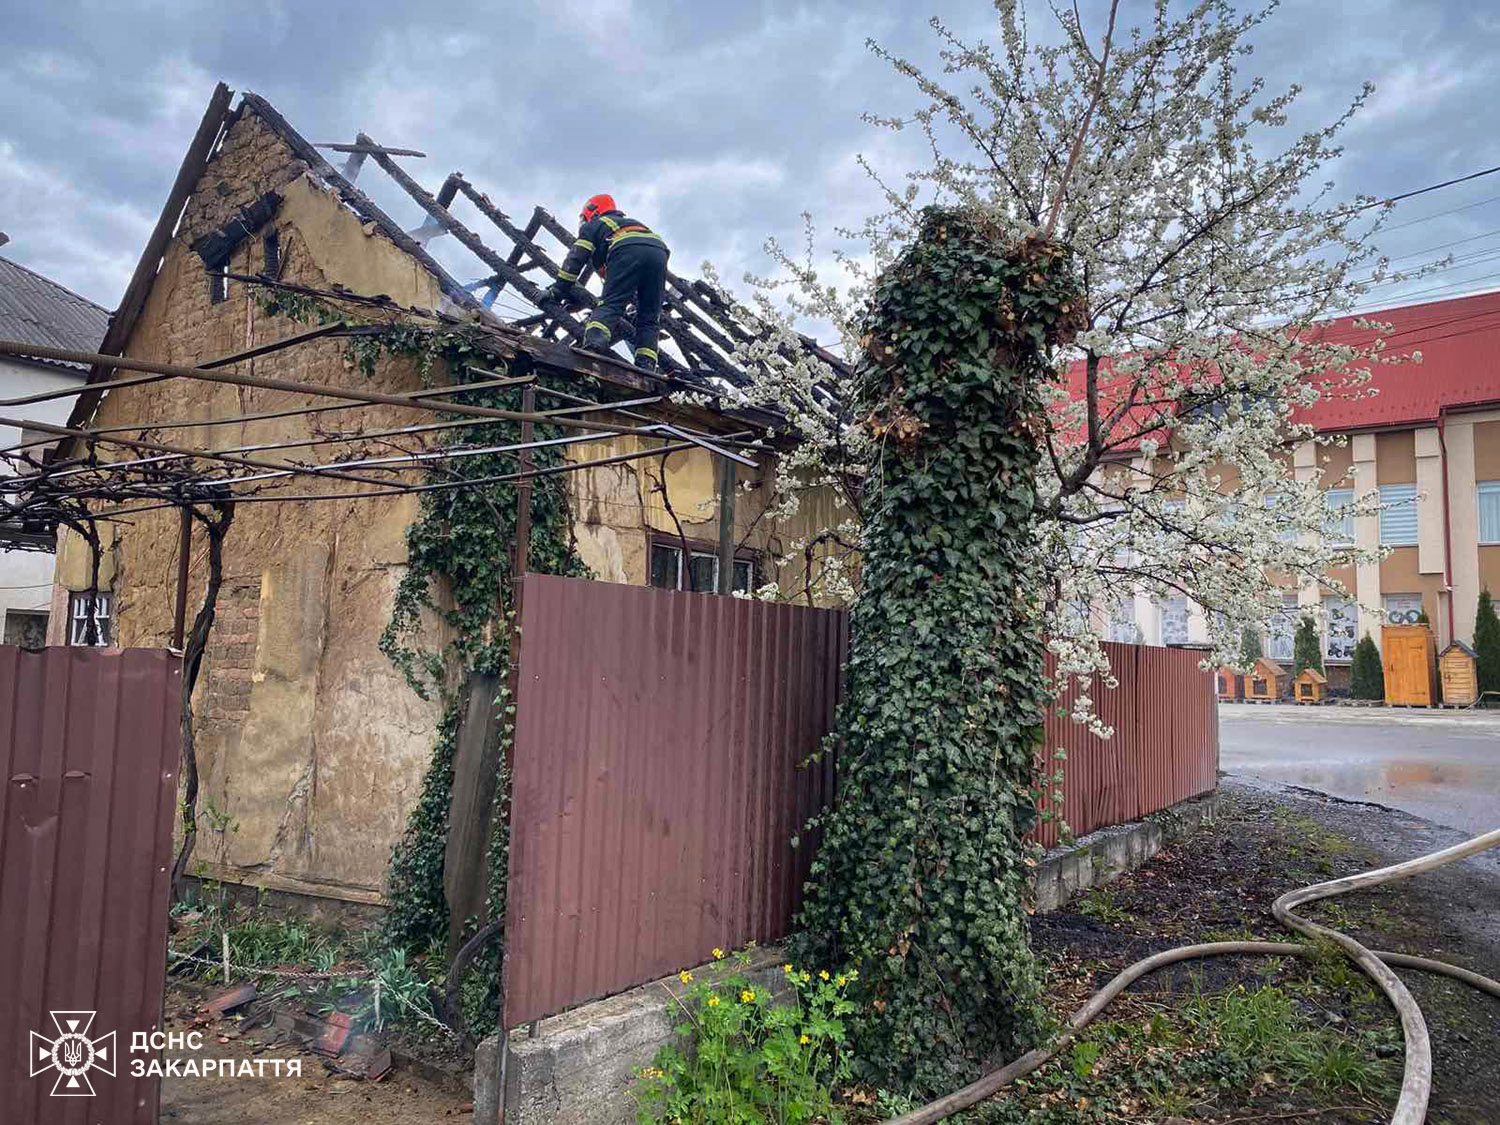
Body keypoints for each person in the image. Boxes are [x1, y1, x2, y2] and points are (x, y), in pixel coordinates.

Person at [546, 194, 670, 372]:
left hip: (627, 248)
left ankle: (592, 349)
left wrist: (557, 292)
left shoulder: (594, 225)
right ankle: (646, 366)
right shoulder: (631, 223)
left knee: (610, 304)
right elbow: (617, 273)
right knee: (649, 317)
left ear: (592, 212)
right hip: (659, 253)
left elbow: (575, 260)